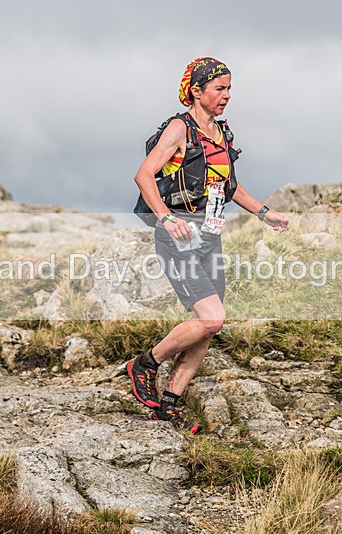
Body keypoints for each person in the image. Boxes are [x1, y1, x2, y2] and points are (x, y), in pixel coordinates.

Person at [127, 57, 290, 434]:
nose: (227, 96)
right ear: (196, 91)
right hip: (178, 237)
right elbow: (144, 174)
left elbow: (230, 188)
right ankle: (145, 364)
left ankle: (169, 405)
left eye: (230, 89)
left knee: (209, 328)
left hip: (210, 238)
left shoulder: (220, 132)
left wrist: (265, 213)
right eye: (219, 89)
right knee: (211, 317)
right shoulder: (179, 128)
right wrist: (167, 218)